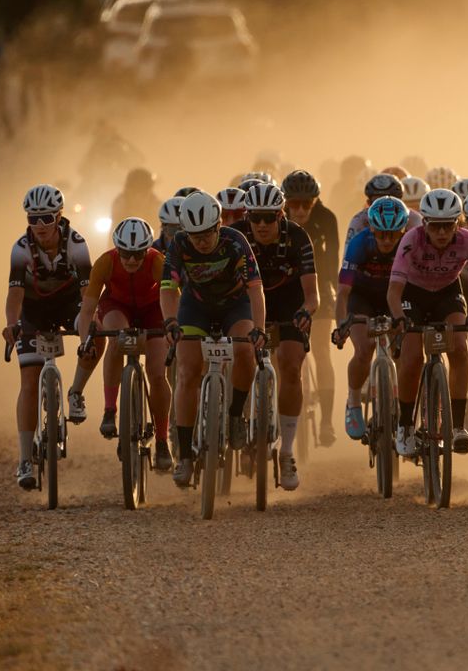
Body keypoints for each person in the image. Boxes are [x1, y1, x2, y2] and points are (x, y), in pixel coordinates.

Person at [160, 191, 266, 487]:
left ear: (219, 226)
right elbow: (168, 287)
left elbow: (256, 288)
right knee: (186, 371)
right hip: (196, 307)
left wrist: (259, 328)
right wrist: (170, 321)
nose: (201, 242)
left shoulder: (236, 242)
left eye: (206, 234)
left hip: (236, 304)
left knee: (245, 352)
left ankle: (235, 416)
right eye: (195, 236)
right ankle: (184, 455)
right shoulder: (179, 243)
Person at [3, 185, 97, 490]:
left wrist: (86, 336)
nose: (40, 226)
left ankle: (75, 392)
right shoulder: (20, 248)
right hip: (34, 310)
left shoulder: (77, 244)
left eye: (46, 218)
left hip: (69, 304)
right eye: (33, 219)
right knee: (29, 382)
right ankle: (24, 460)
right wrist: (11, 324)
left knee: (95, 332)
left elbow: (88, 296)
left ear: (59, 216)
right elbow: (15, 294)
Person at [230, 183, 318, 490]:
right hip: (245, 302)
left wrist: (307, 311)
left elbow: (311, 295)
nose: (263, 225)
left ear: (281, 215)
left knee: (290, 365)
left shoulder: (298, 236)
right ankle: (237, 421)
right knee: (240, 358)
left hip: (287, 303)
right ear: (247, 217)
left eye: (269, 218)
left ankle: (287, 452)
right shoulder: (235, 235)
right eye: (256, 218)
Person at [387, 188, 468, 456]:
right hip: (413, 295)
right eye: (436, 226)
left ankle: (457, 426)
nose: (442, 233)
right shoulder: (411, 239)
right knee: (411, 358)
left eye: (448, 225)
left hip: (447, 293)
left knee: (460, 346)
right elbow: (394, 292)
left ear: (458, 223)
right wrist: (399, 319)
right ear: (425, 224)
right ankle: (405, 425)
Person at [76, 218, 172, 469]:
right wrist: (85, 340)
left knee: (157, 374)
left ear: (147, 250)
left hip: (153, 309)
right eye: (126, 254)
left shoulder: (158, 262)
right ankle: (110, 409)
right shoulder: (105, 262)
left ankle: (162, 441)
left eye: (138, 254)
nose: (131, 260)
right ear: (117, 249)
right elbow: (87, 310)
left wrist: (174, 330)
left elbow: (172, 299)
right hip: (117, 306)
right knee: (116, 338)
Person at [333, 196, 410, 440]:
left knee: (407, 350)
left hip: (396, 296)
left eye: (393, 235)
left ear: (403, 231)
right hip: (362, 297)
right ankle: (354, 402)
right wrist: (341, 326)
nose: (387, 241)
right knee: (364, 349)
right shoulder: (359, 244)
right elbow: (343, 292)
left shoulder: (408, 246)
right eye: (381, 235)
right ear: (372, 229)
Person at [282, 170, 340, 445]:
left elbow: (332, 257)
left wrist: (332, 293)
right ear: (285, 203)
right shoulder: (275, 219)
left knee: (320, 350)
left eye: (308, 204)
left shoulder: (327, 218)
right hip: (285, 287)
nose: (302, 210)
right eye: (295, 204)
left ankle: (327, 421)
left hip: (318, 287)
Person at [345, 173, 423, 243]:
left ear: (400, 202)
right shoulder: (359, 220)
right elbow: (347, 254)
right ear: (368, 203)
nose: (383, 206)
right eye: (377, 202)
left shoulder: (415, 219)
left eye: (389, 202)